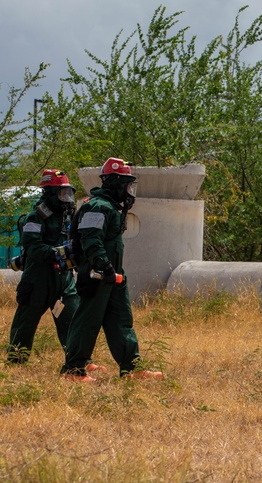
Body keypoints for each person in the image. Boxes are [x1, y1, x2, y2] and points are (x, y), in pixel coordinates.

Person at [61, 158, 162, 381]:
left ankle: (131, 369)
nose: (129, 191)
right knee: (87, 321)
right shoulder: (98, 206)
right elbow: (91, 239)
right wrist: (103, 265)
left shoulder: (111, 208)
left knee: (121, 319)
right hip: (97, 274)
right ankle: (73, 370)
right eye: (127, 185)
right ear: (115, 183)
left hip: (113, 276)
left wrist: (112, 271)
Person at [7, 170, 84, 365]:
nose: (67, 199)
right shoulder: (35, 218)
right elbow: (33, 248)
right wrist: (59, 253)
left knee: (72, 318)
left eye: (68, 193)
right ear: (49, 193)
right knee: (26, 321)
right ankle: (16, 360)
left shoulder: (67, 218)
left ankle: (78, 361)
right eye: (62, 194)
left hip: (63, 280)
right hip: (37, 280)